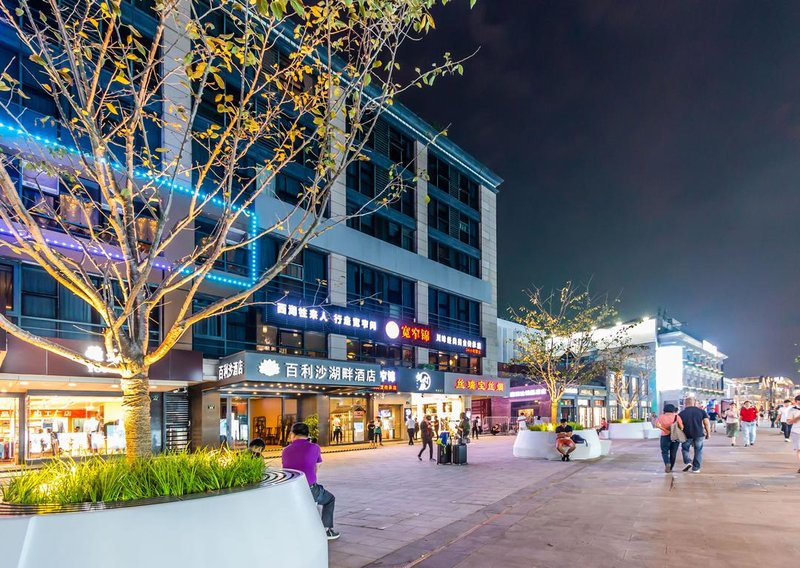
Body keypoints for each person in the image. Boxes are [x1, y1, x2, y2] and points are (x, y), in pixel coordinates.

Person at [281, 422, 340, 540]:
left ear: (292, 434)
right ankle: (327, 530)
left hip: (290, 489)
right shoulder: (315, 447)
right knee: (330, 499)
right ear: (308, 435)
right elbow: (317, 467)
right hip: (310, 488)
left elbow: (286, 468)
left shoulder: (285, 450)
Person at [678, 397, 710, 473]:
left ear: (685, 404)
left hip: (686, 435)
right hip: (699, 434)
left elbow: (679, 426)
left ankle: (688, 461)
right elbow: (706, 423)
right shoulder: (701, 411)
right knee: (698, 450)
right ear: (694, 403)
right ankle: (696, 468)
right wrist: (708, 433)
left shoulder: (681, 413)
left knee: (685, 449)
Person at [655, 404, 683, 473]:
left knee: (664, 452)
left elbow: (657, 425)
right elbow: (682, 427)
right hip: (675, 436)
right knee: (673, 453)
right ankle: (671, 468)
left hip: (664, 436)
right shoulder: (677, 417)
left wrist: (664, 429)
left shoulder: (661, 417)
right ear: (673, 410)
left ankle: (667, 463)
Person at [784, 395, 800, 474]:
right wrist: (798, 418)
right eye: (799, 400)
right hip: (797, 432)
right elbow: (788, 422)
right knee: (799, 449)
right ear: (796, 401)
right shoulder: (792, 410)